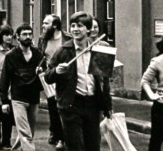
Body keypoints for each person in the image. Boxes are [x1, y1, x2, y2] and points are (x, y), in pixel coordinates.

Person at [45, 11, 113, 151]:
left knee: (93, 146)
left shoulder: (100, 49)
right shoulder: (63, 51)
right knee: (75, 146)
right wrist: (56, 71)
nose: (75, 29)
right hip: (71, 104)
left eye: (79, 26)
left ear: (88, 29)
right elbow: (47, 77)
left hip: (93, 104)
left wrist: (108, 106)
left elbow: (104, 82)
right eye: (73, 25)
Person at [0, 23, 43, 151]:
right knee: (25, 133)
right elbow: (4, 79)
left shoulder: (37, 54)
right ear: (17, 37)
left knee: (29, 132)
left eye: (30, 34)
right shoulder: (11, 56)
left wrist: (41, 72)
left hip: (34, 98)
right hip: (18, 98)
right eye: (24, 34)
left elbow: (44, 77)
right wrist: (4, 101)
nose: (28, 37)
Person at [37, 14, 71, 150]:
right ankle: (58, 136)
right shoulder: (43, 39)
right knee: (53, 108)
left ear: (55, 25)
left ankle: (65, 136)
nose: (43, 26)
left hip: (65, 78)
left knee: (65, 108)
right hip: (50, 77)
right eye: (43, 23)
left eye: (46, 23)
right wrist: (40, 66)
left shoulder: (67, 38)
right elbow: (41, 56)